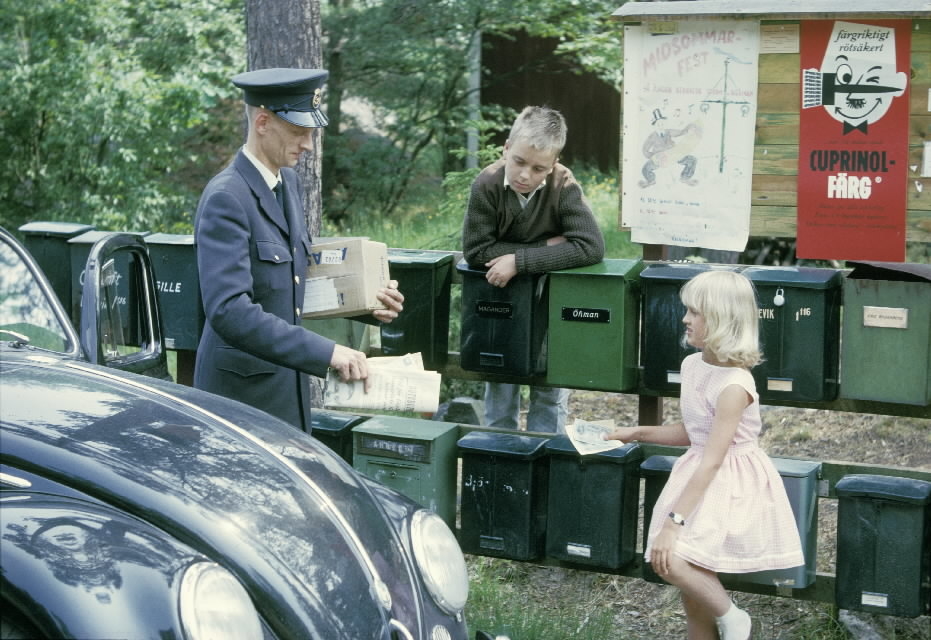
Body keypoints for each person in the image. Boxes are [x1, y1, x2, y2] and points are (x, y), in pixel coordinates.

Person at [194, 68, 403, 432]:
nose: (308, 145)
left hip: (286, 389)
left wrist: (368, 304)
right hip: (241, 400)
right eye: (298, 132)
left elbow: (290, 283)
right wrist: (327, 353)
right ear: (262, 122)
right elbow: (229, 311)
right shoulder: (227, 197)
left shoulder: (285, 180)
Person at [604, 270, 803, 640]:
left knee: (672, 559)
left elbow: (714, 458)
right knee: (693, 598)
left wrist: (672, 524)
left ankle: (733, 616)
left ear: (722, 319)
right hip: (699, 473)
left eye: (694, 312)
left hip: (728, 483)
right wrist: (634, 433)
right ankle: (715, 623)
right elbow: (693, 432)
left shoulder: (735, 385)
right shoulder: (693, 365)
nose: (685, 319)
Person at [462, 105, 605, 433]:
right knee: (500, 389)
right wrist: (545, 249)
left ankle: (544, 467)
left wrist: (519, 261)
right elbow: (477, 250)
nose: (525, 175)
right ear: (507, 149)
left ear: (554, 163)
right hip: (501, 303)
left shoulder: (563, 186)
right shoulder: (486, 184)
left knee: (549, 388)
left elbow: (591, 246)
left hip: (550, 304)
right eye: (519, 162)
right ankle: (500, 462)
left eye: (539, 168)